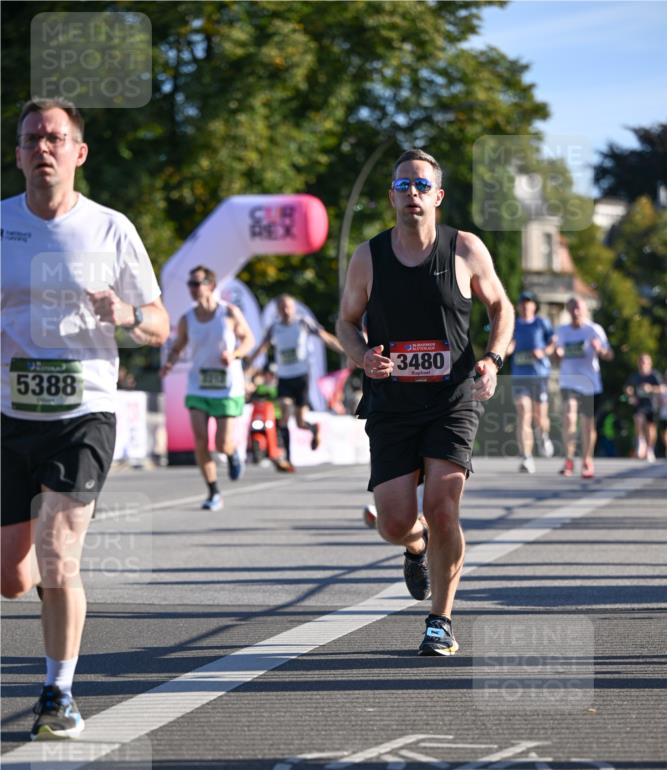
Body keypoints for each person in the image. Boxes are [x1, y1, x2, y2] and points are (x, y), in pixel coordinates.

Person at [1, 98, 169, 739]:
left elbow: (160, 324)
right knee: (13, 578)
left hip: (84, 412)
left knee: (58, 555)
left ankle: (58, 691)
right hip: (9, 413)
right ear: (17, 155)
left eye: (54, 137)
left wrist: (125, 314)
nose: (42, 147)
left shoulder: (110, 228)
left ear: (79, 152)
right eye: (30, 139)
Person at [336, 148, 514, 656]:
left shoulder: (465, 249)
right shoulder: (369, 256)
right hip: (391, 402)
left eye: (420, 186)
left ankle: (441, 619)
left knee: (442, 505)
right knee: (393, 522)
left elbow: (501, 306)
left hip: (451, 399)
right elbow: (346, 323)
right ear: (391, 196)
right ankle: (414, 547)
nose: (411, 194)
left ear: (437, 196)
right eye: (401, 186)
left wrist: (493, 359)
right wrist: (363, 356)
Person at [160, 265, 255, 509]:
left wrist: (234, 355)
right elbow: (178, 346)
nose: (192, 288)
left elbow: (249, 339)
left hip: (227, 387)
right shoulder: (187, 318)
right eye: (189, 284)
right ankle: (213, 492)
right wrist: (169, 364)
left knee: (222, 444)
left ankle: (233, 454)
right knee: (201, 440)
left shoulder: (229, 313)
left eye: (196, 283)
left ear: (210, 285)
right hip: (198, 386)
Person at [248, 294, 343, 471]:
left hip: (301, 377)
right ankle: (287, 458)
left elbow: (325, 337)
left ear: (293, 308)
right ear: (277, 310)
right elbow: (262, 346)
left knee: (299, 422)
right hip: (283, 377)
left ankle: (313, 429)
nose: (285, 310)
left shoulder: (303, 322)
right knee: (283, 413)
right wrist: (249, 363)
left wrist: (344, 348)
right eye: (282, 307)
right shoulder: (274, 327)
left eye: (288, 307)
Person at [553, 296, 614, 478]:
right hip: (568, 381)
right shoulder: (562, 331)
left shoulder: (594, 330)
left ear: (585, 310)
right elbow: (555, 356)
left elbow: (609, 354)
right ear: (568, 311)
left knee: (588, 425)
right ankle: (569, 459)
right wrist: (557, 353)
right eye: (572, 308)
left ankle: (587, 460)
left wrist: (600, 349)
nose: (575, 312)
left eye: (578, 308)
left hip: (590, 384)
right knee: (569, 418)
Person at [506, 291, 555, 473]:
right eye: (523, 303)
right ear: (519, 306)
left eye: (529, 303)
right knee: (523, 412)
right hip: (520, 375)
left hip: (539, 375)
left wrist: (543, 351)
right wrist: (506, 350)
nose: (526, 306)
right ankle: (526, 457)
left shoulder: (541, 323)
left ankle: (543, 435)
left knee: (540, 417)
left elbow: (552, 342)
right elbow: (509, 343)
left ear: (534, 306)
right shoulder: (514, 325)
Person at [624, 353, 663, 462]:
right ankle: (641, 442)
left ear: (650, 363)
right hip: (639, 404)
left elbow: (662, 388)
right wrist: (630, 394)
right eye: (641, 362)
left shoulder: (654, 375)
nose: (643, 364)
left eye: (645, 362)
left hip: (652, 405)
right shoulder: (635, 376)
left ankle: (650, 449)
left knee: (651, 428)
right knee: (638, 420)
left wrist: (651, 388)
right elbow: (628, 388)